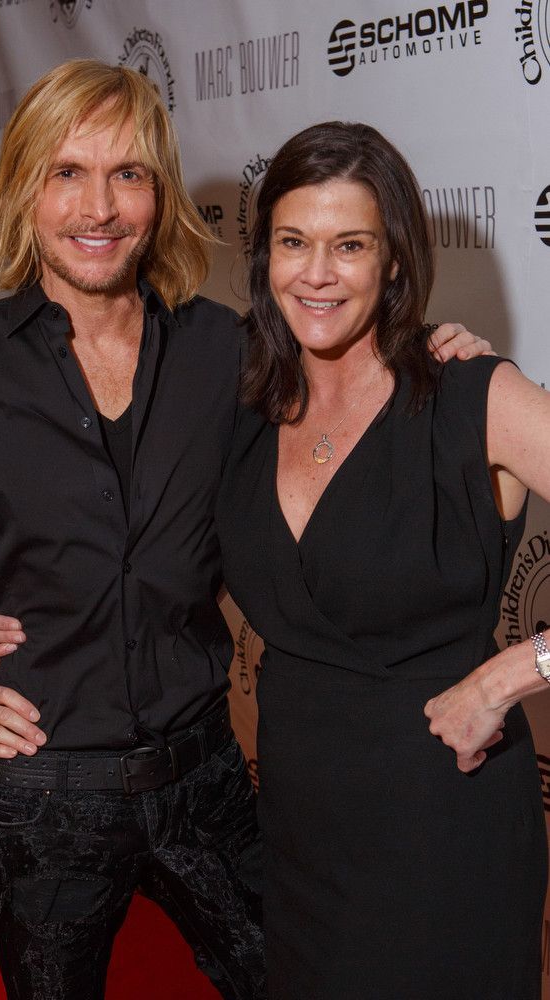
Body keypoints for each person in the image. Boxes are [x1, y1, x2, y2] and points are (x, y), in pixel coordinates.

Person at [0, 61, 487, 998]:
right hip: (44, 798)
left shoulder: (231, 348)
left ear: (160, 193)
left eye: (128, 174)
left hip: (209, 778)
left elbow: (343, 412)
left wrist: (433, 352)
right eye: (67, 172)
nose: (98, 208)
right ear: (22, 187)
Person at [215, 122, 548, 999]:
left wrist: (514, 671)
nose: (315, 273)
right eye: (293, 242)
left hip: (444, 826)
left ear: (394, 260)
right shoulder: (248, 406)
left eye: (349, 245)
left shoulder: (473, 398)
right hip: (296, 831)